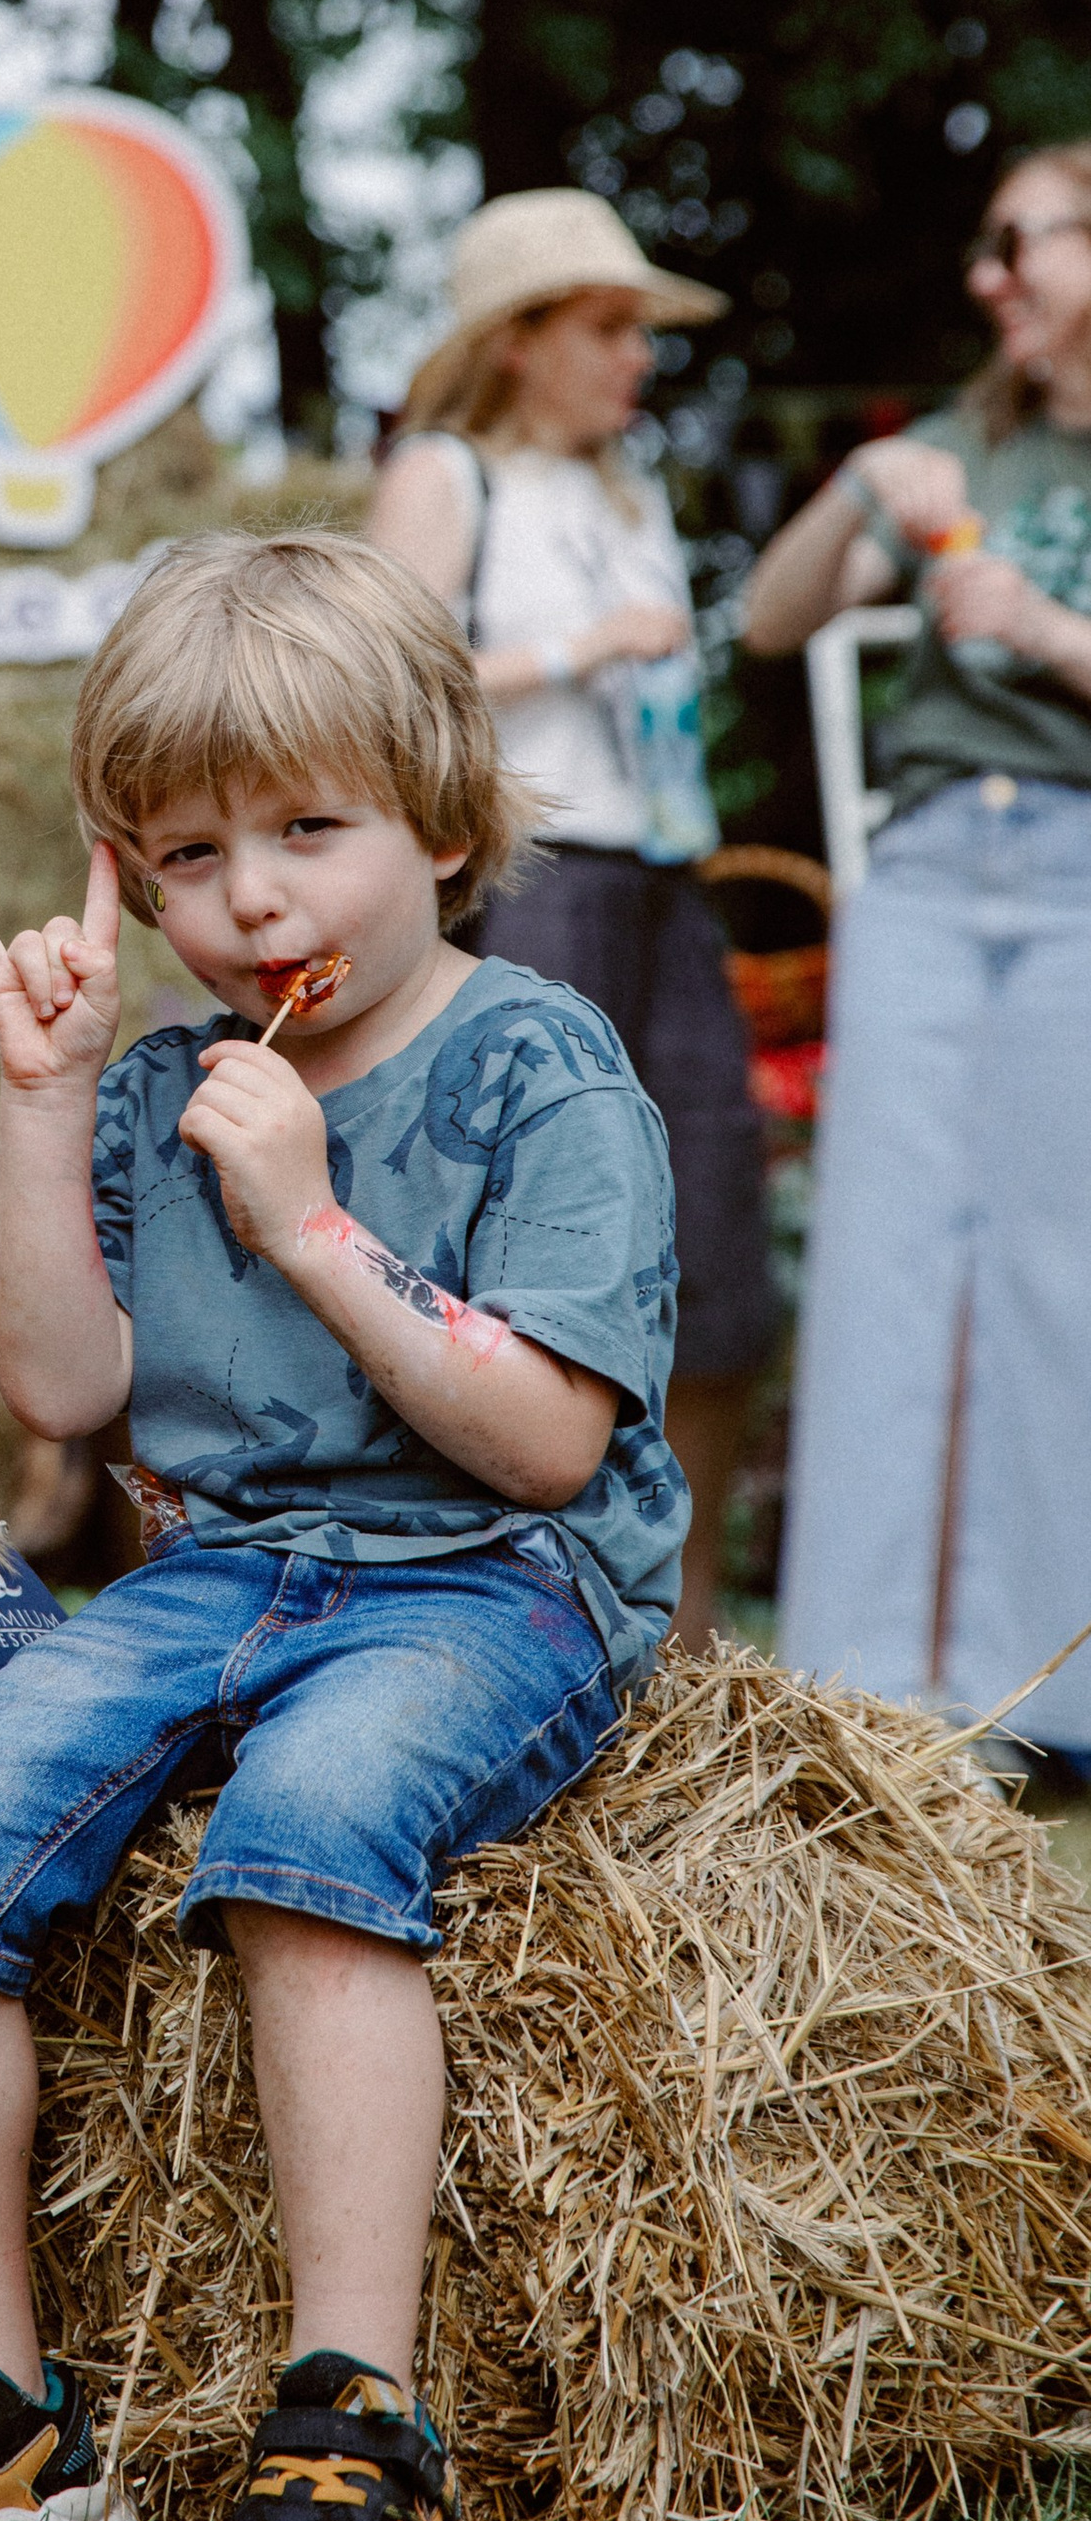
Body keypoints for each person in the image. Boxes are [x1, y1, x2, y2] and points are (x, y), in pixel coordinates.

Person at [0, 535, 685, 2521]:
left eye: (307, 832)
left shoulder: (540, 1068)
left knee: (308, 1824)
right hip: (228, 1565)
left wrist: (309, 1221)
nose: (249, 898)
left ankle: (357, 2429)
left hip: (489, 1577)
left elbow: (537, 1444)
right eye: (184, 853)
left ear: (441, 818)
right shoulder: (166, 1089)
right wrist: (51, 1099)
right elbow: (62, 1398)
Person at [364, 187, 777, 1647]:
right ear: (520, 338)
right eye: (609, 326)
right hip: (533, 885)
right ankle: (525, 1610)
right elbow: (381, 693)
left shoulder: (625, 489)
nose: (637, 357)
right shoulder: (444, 474)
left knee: (713, 1219)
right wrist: (578, 648)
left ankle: (693, 1625)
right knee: (537, 1237)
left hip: (665, 877)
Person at [742, 141, 1091, 1772]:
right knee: (885, 1263)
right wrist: (862, 493)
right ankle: (870, 1702)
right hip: (938, 869)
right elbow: (770, 620)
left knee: (1057, 1275)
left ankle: (1045, 1698)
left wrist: (1044, 634)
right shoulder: (966, 444)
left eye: (1019, 243)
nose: (986, 277)